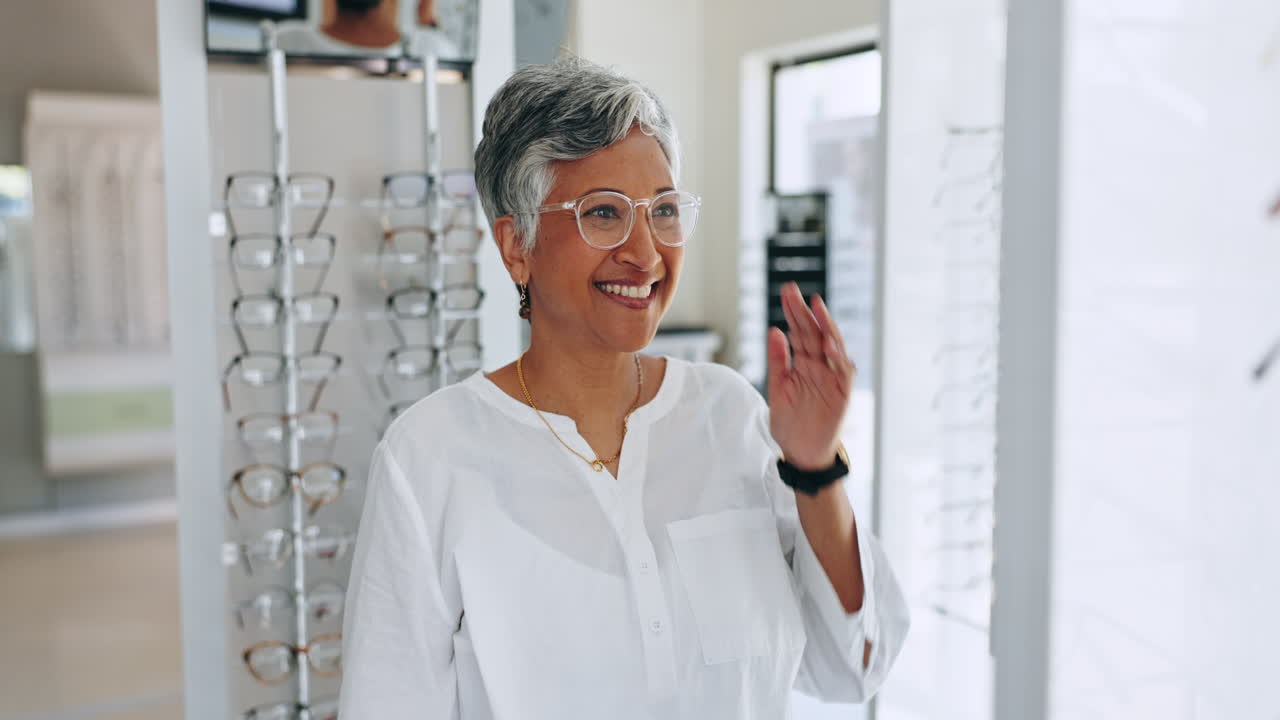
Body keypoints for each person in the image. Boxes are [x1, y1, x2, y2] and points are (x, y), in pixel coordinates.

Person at [339, 58, 909, 718]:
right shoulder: (430, 458)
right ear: (516, 245)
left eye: (663, 210)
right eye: (603, 213)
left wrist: (814, 468)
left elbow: (854, 666)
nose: (645, 251)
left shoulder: (728, 416)